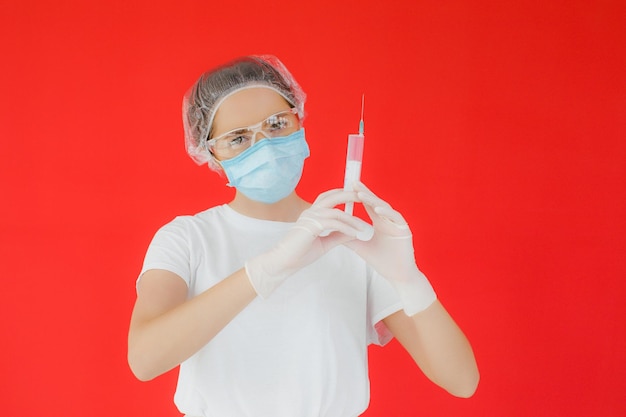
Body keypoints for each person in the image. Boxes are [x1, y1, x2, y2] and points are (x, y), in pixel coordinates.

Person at [128, 55, 479, 417]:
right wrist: (264, 270)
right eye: (237, 138)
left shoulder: (351, 239)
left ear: (300, 122)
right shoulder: (187, 238)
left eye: (277, 123)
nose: (262, 146)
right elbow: (145, 359)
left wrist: (410, 280)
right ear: (211, 152)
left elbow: (461, 381)